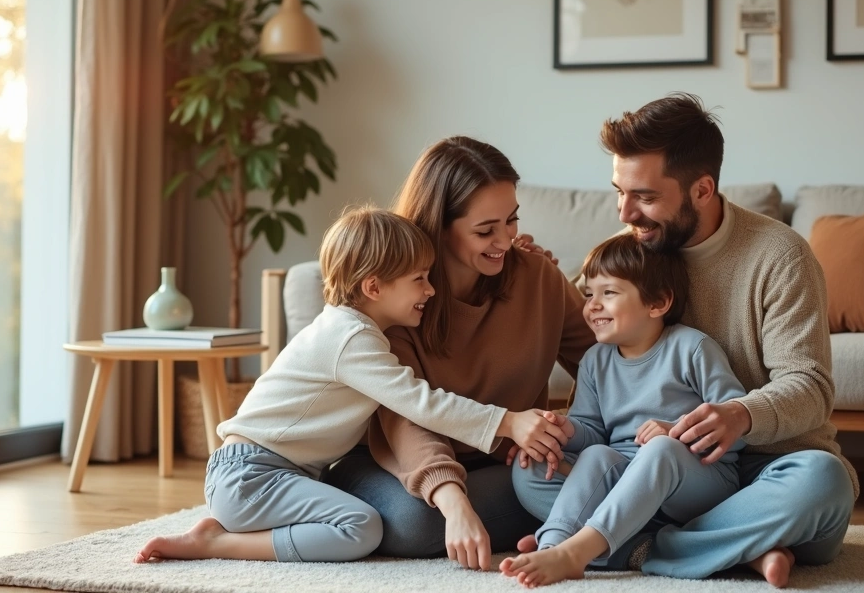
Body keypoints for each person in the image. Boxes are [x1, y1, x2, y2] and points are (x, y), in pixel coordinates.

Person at [518, 93, 857, 589]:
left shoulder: (780, 255)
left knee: (823, 482)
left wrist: (740, 415)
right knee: (531, 473)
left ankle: (626, 547)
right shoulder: (636, 250)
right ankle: (736, 549)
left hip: (767, 471)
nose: (626, 212)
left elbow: (809, 386)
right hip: (657, 477)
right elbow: (593, 332)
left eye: (646, 197)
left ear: (702, 189)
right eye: (619, 191)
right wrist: (530, 272)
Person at [133, 206, 569, 564]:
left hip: (265, 473)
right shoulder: (352, 340)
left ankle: (222, 530)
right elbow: (421, 403)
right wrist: (507, 422)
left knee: (363, 521)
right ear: (373, 286)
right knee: (361, 528)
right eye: (419, 278)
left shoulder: (355, 331)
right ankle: (217, 545)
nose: (431, 290)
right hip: (251, 475)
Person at [322, 137, 596, 571]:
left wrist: (579, 433)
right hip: (412, 465)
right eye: (486, 230)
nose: (505, 241)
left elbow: (604, 364)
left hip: (507, 465)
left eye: (512, 221)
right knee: (416, 523)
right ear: (437, 226)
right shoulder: (397, 302)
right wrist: (453, 501)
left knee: (596, 475)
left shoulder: (538, 278)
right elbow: (405, 417)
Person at [501, 233, 747, 587]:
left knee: (661, 450)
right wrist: (563, 430)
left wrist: (675, 432)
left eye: (609, 293)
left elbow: (734, 426)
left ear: (658, 302)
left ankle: (582, 548)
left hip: (697, 481)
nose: (592, 305)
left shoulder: (692, 348)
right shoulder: (595, 361)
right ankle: (556, 544)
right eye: (589, 294)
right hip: (626, 482)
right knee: (533, 466)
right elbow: (593, 434)